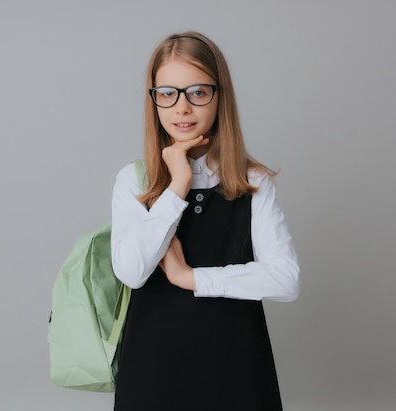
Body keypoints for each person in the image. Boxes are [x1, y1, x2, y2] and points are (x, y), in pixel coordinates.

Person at [110, 31, 300, 411]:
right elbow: (131, 271)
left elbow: (286, 279)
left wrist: (190, 278)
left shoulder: (253, 182)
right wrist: (177, 185)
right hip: (153, 366)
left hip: (235, 365)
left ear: (220, 96)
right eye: (167, 93)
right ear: (154, 100)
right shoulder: (135, 180)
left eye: (197, 92)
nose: (182, 108)